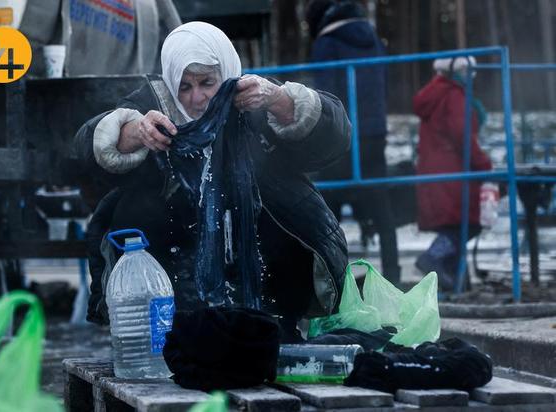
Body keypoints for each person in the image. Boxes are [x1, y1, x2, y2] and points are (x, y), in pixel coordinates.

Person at [74, 22, 351, 341]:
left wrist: (280, 100)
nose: (198, 98)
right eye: (185, 86)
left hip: (272, 283)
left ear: (227, 72)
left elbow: (336, 138)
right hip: (171, 296)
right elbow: (85, 149)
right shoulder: (151, 108)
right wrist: (133, 132)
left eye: (207, 82)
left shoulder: (256, 99)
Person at [306, 0, 401, 285]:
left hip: (341, 137)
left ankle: (332, 285)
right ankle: (393, 279)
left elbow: (325, 98)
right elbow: (384, 80)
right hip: (374, 134)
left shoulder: (326, 44)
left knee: (327, 213)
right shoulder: (373, 39)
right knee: (382, 209)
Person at [413, 57, 492, 291]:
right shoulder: (455, 95)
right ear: (459, 72)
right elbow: (463, 137)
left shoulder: (437, 93)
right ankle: (433, 258)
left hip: (436, 169)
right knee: (467, 223)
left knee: (457, 223)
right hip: (453, 171)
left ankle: (457, 283)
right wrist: (485, 164)